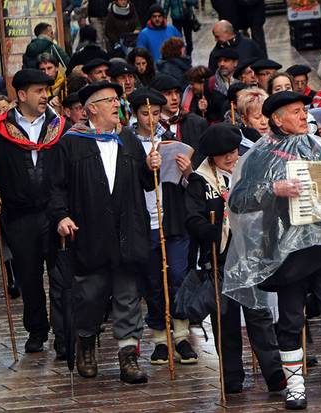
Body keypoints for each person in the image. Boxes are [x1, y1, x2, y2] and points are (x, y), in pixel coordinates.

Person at [229, 91, 321, 409]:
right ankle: (295, 387)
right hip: (287, 252)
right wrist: (273, 189)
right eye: (296, 112)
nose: (303, 117)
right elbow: (238, 199)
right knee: (290, 320)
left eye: (303, 111)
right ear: (277, 119)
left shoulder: (317, 146)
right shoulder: (260, 155)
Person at [48, 80, 161, 383]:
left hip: (127, 232)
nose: (117, 105)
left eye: (117, 100)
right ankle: (86, 344)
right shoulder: (70, 143)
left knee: (128, 296)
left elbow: (147, 184)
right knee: (90, 295)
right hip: (89, 233)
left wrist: (152, 166)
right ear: (92, 109)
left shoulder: (130, 141)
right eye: (110, 100)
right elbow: (56, 187)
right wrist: (61, 216)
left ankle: (128, 357)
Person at [184, 122, 285, 394]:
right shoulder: (199, 181)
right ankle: (231, 376)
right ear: (211, 157)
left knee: (259, 316)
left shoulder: (246, 174)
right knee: (225, 321)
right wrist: (213, 230)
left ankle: (275, 373)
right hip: (218, 261)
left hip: (248, 258)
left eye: (234, 151)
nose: (231, 158)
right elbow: (192, 219)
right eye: (224, 154)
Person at [0, 70, 67, 357]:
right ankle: (37, 329)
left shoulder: (58, 125)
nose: (45, 96)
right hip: (19, 213)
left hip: (53, 211)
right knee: (29, 276)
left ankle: (63, 333)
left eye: (46, 90)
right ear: (21, 95)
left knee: (60, 275)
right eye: (38, 91)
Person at [127, 87, 198, 366]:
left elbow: (186, 184)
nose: (151, 119)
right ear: (135, 114)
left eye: (156, 113)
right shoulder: (127, 143)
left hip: (173, 220)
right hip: (145, 221)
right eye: (145, 114)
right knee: (153, 281)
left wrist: (186, 171)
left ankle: (181, 335)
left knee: (178, 275)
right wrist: (145, 166)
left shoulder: (169, 140)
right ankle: (159, 337)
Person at [151, 75, 207, 165]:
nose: (175, 98)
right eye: (168, 93)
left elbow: (203, 158)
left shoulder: (197, 123)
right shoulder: (151, 124)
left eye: (177, 92)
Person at [205, 48, 239, 123]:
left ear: (235, 63)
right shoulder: (210, 83)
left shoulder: (243, 81)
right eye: (220, 61)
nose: (222, 64)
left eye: (226, 60)